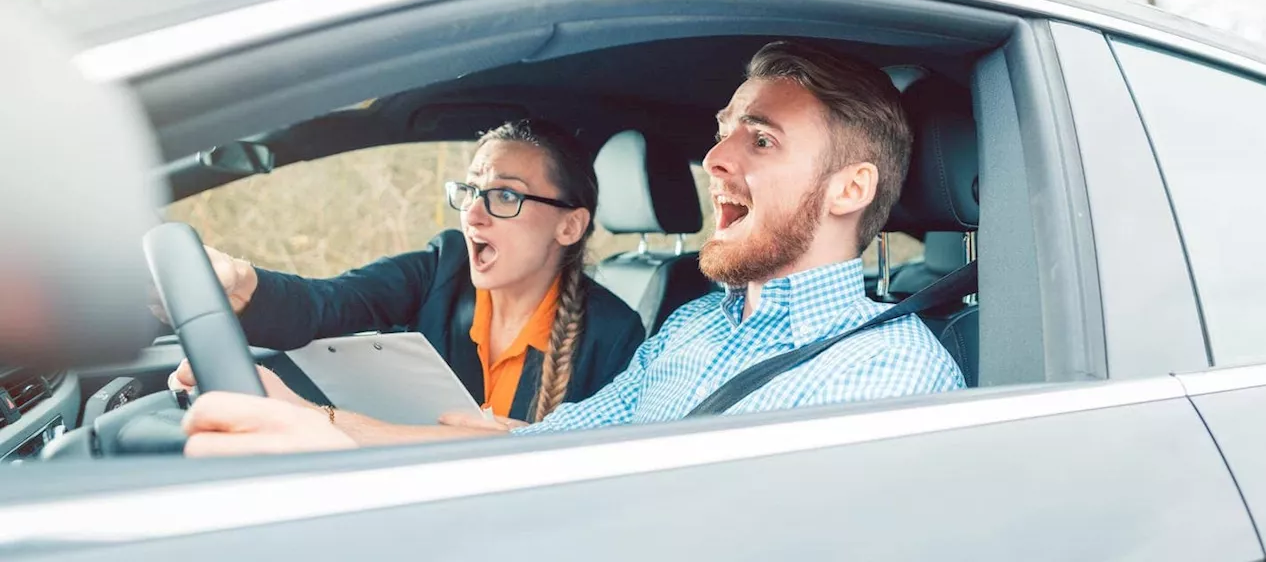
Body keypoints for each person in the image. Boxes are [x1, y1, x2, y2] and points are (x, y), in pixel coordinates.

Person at [176, 40, 966, 456]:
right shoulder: (692, 331)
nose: (716, 160)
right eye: (723, 132)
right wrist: (318, 423)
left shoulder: (888, 377)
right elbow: (543, 448)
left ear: (850, 189)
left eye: (759, 139)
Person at [173, 119, 645, 429]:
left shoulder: (613, 332)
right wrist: (240, 283)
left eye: (506, 196)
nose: (474, 215)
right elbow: (327, 304)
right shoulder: (442, 266)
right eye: (471, 190)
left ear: (569, 225)